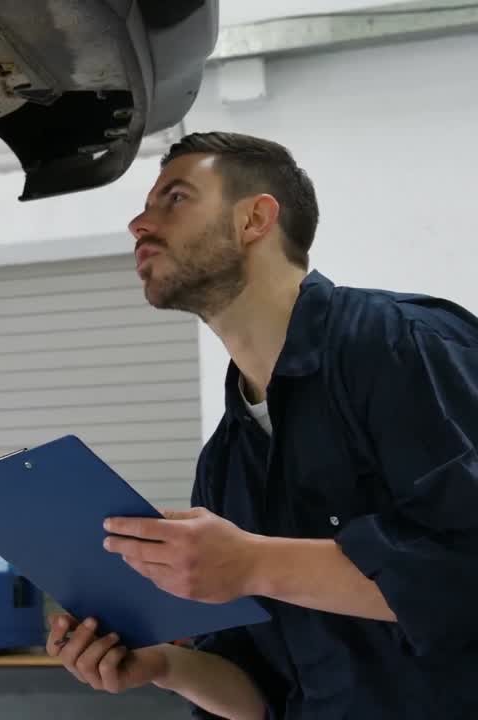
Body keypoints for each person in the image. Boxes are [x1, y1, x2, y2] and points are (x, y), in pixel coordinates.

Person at [45, 131, 478, 718]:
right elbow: (264, 695)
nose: (138, 225)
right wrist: (163, 665)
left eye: (174, 198)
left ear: (255, 219)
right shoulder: (225, 459)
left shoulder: (401, 345)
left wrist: (252, 564)